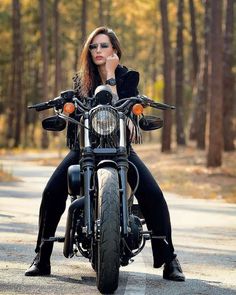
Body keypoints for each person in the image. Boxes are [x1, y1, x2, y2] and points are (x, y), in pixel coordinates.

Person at [25, 26, 185, 282]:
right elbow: (76, 112)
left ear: (115, 50)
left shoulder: (128, 77)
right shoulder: (81, 81)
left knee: (153, 194)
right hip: (84, 150)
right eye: (93, 46)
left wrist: (111, 75)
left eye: (103, 46)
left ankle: (169, 259)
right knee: (51, 191)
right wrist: (67, 113)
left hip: (120, 150)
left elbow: (129, 103)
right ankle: (41, 257)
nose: (97, 51)